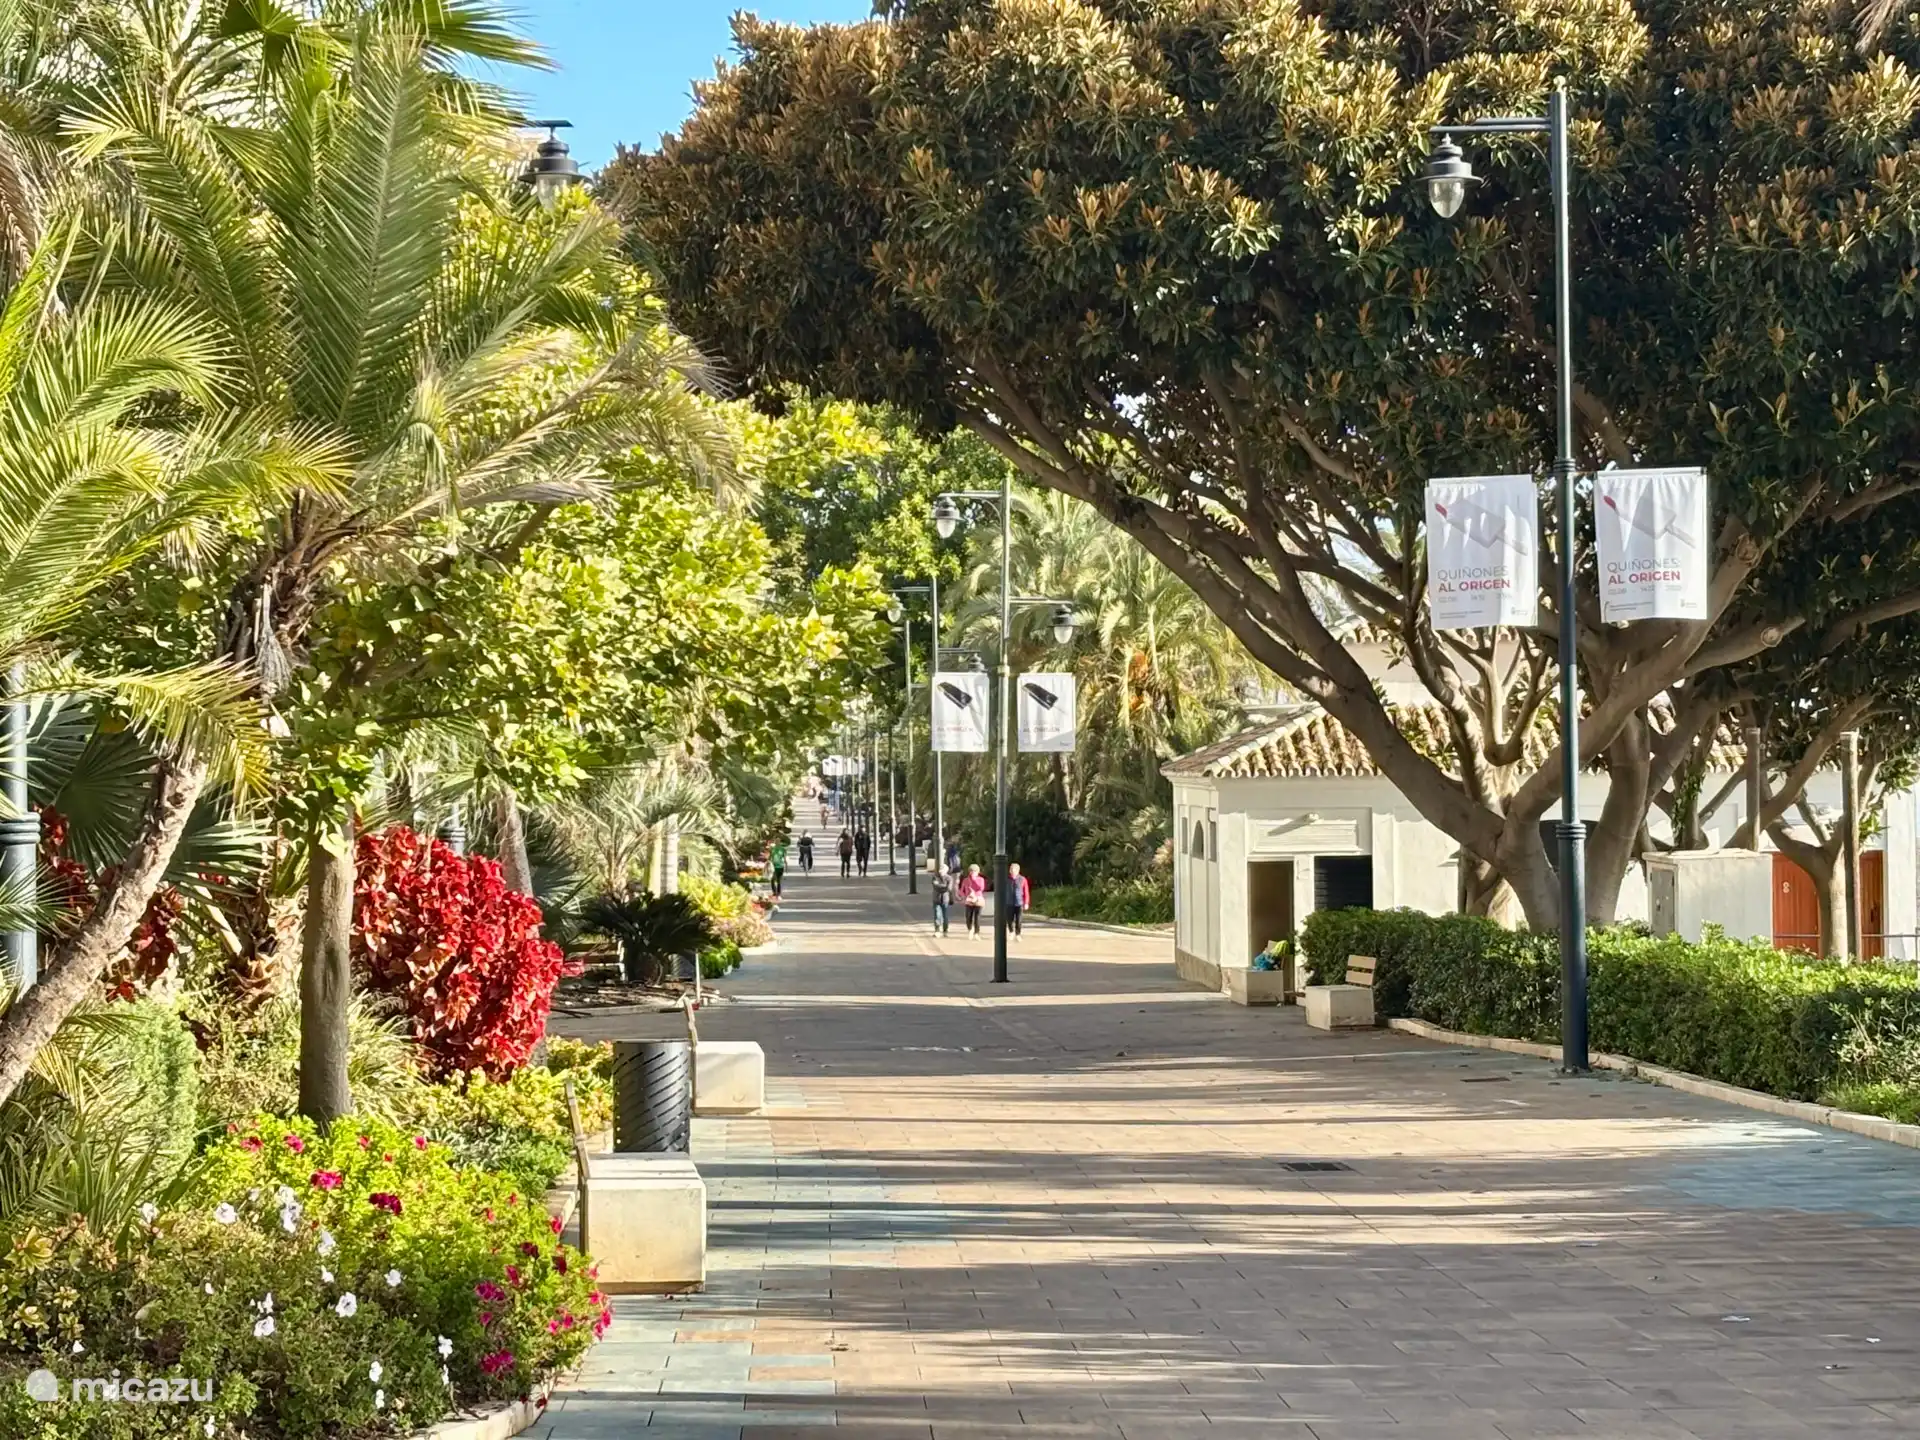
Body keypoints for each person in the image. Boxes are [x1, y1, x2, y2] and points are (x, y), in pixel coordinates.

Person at [957, 863, 987, 935]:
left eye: (975, 871)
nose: (973, 872)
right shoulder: (966, 880)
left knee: (977, 917)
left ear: (978, 872)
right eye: (971, 871)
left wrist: (974, 880)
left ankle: (976, 932)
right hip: (969, 900)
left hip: (978, 899)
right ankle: (970, 928)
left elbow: (981, 888)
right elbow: (961, 890)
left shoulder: (981, 879)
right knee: (968, 917)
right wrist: (964, 896)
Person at [1004, 861, 1031, 937]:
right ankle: (1011, 931)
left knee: (1019, 920)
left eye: (1014, 869)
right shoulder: (1006, 879)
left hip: (1019, 902)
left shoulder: (1022, 879)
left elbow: (1026, 892)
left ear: (1018, 870)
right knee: (1009, 919)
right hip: (1009, 902)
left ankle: (1018, 933)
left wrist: (1026, 903)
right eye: (1011, 869)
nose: (1012, 871)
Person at [930, 863, 954, 936]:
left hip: (945, 899)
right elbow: (935, 886)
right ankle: (937, 930)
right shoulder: (935, 877)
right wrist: (944, 887)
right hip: (936, 898)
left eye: (942, 870)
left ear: (946, 871)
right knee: (937, 914)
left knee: (945, 915)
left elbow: (949, 888)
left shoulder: (949, 878)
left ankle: (945, 930)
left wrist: (940, 886)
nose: (941, 871)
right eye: (940, 869)